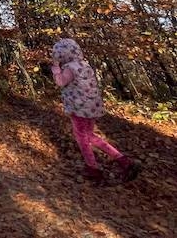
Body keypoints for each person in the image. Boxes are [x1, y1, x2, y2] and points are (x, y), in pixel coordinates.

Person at [50, 37, 141, 182]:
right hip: (92, 107)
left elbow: (61, 82)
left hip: (79, 109)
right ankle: (123, 161)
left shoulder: (70, 68)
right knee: (90, 135)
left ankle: (93, 168)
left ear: (63, 55)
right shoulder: (85, 65)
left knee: (82, 137)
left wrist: (56, 69)